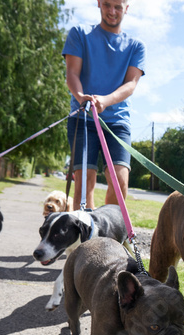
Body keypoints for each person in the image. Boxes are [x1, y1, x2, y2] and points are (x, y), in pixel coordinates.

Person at [63, 0, 146, 210]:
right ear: (99, 3)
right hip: (83, 118)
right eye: (107, 4)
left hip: (117, 122)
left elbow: (131, 84)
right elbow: (72, 73)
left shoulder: (136, 46)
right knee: (83, 184)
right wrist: (82, 96)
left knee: (120, 182)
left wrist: (105, 101)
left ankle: (109, 235)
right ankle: (86, 237)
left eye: (118, 6)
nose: (112, 11)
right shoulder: (80, 33)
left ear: (126, 8)